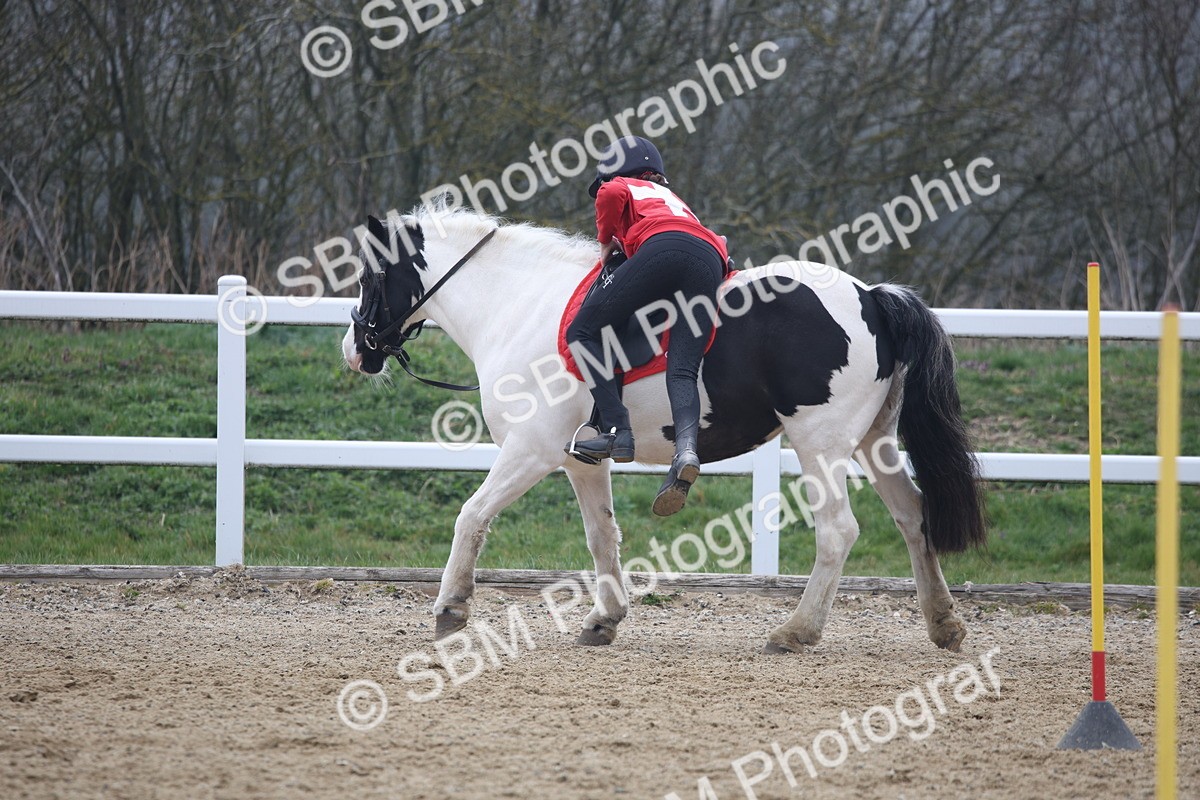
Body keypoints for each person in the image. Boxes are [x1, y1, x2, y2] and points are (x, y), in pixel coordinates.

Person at [565, 136, 728, 516]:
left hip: (663, 249)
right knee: (683, 369)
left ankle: (617, 432)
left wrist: (606, 241)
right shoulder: (675, 202)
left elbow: (607, 195)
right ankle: (685, 450)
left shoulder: (624, 185)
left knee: (581, 333)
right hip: (709, 256)